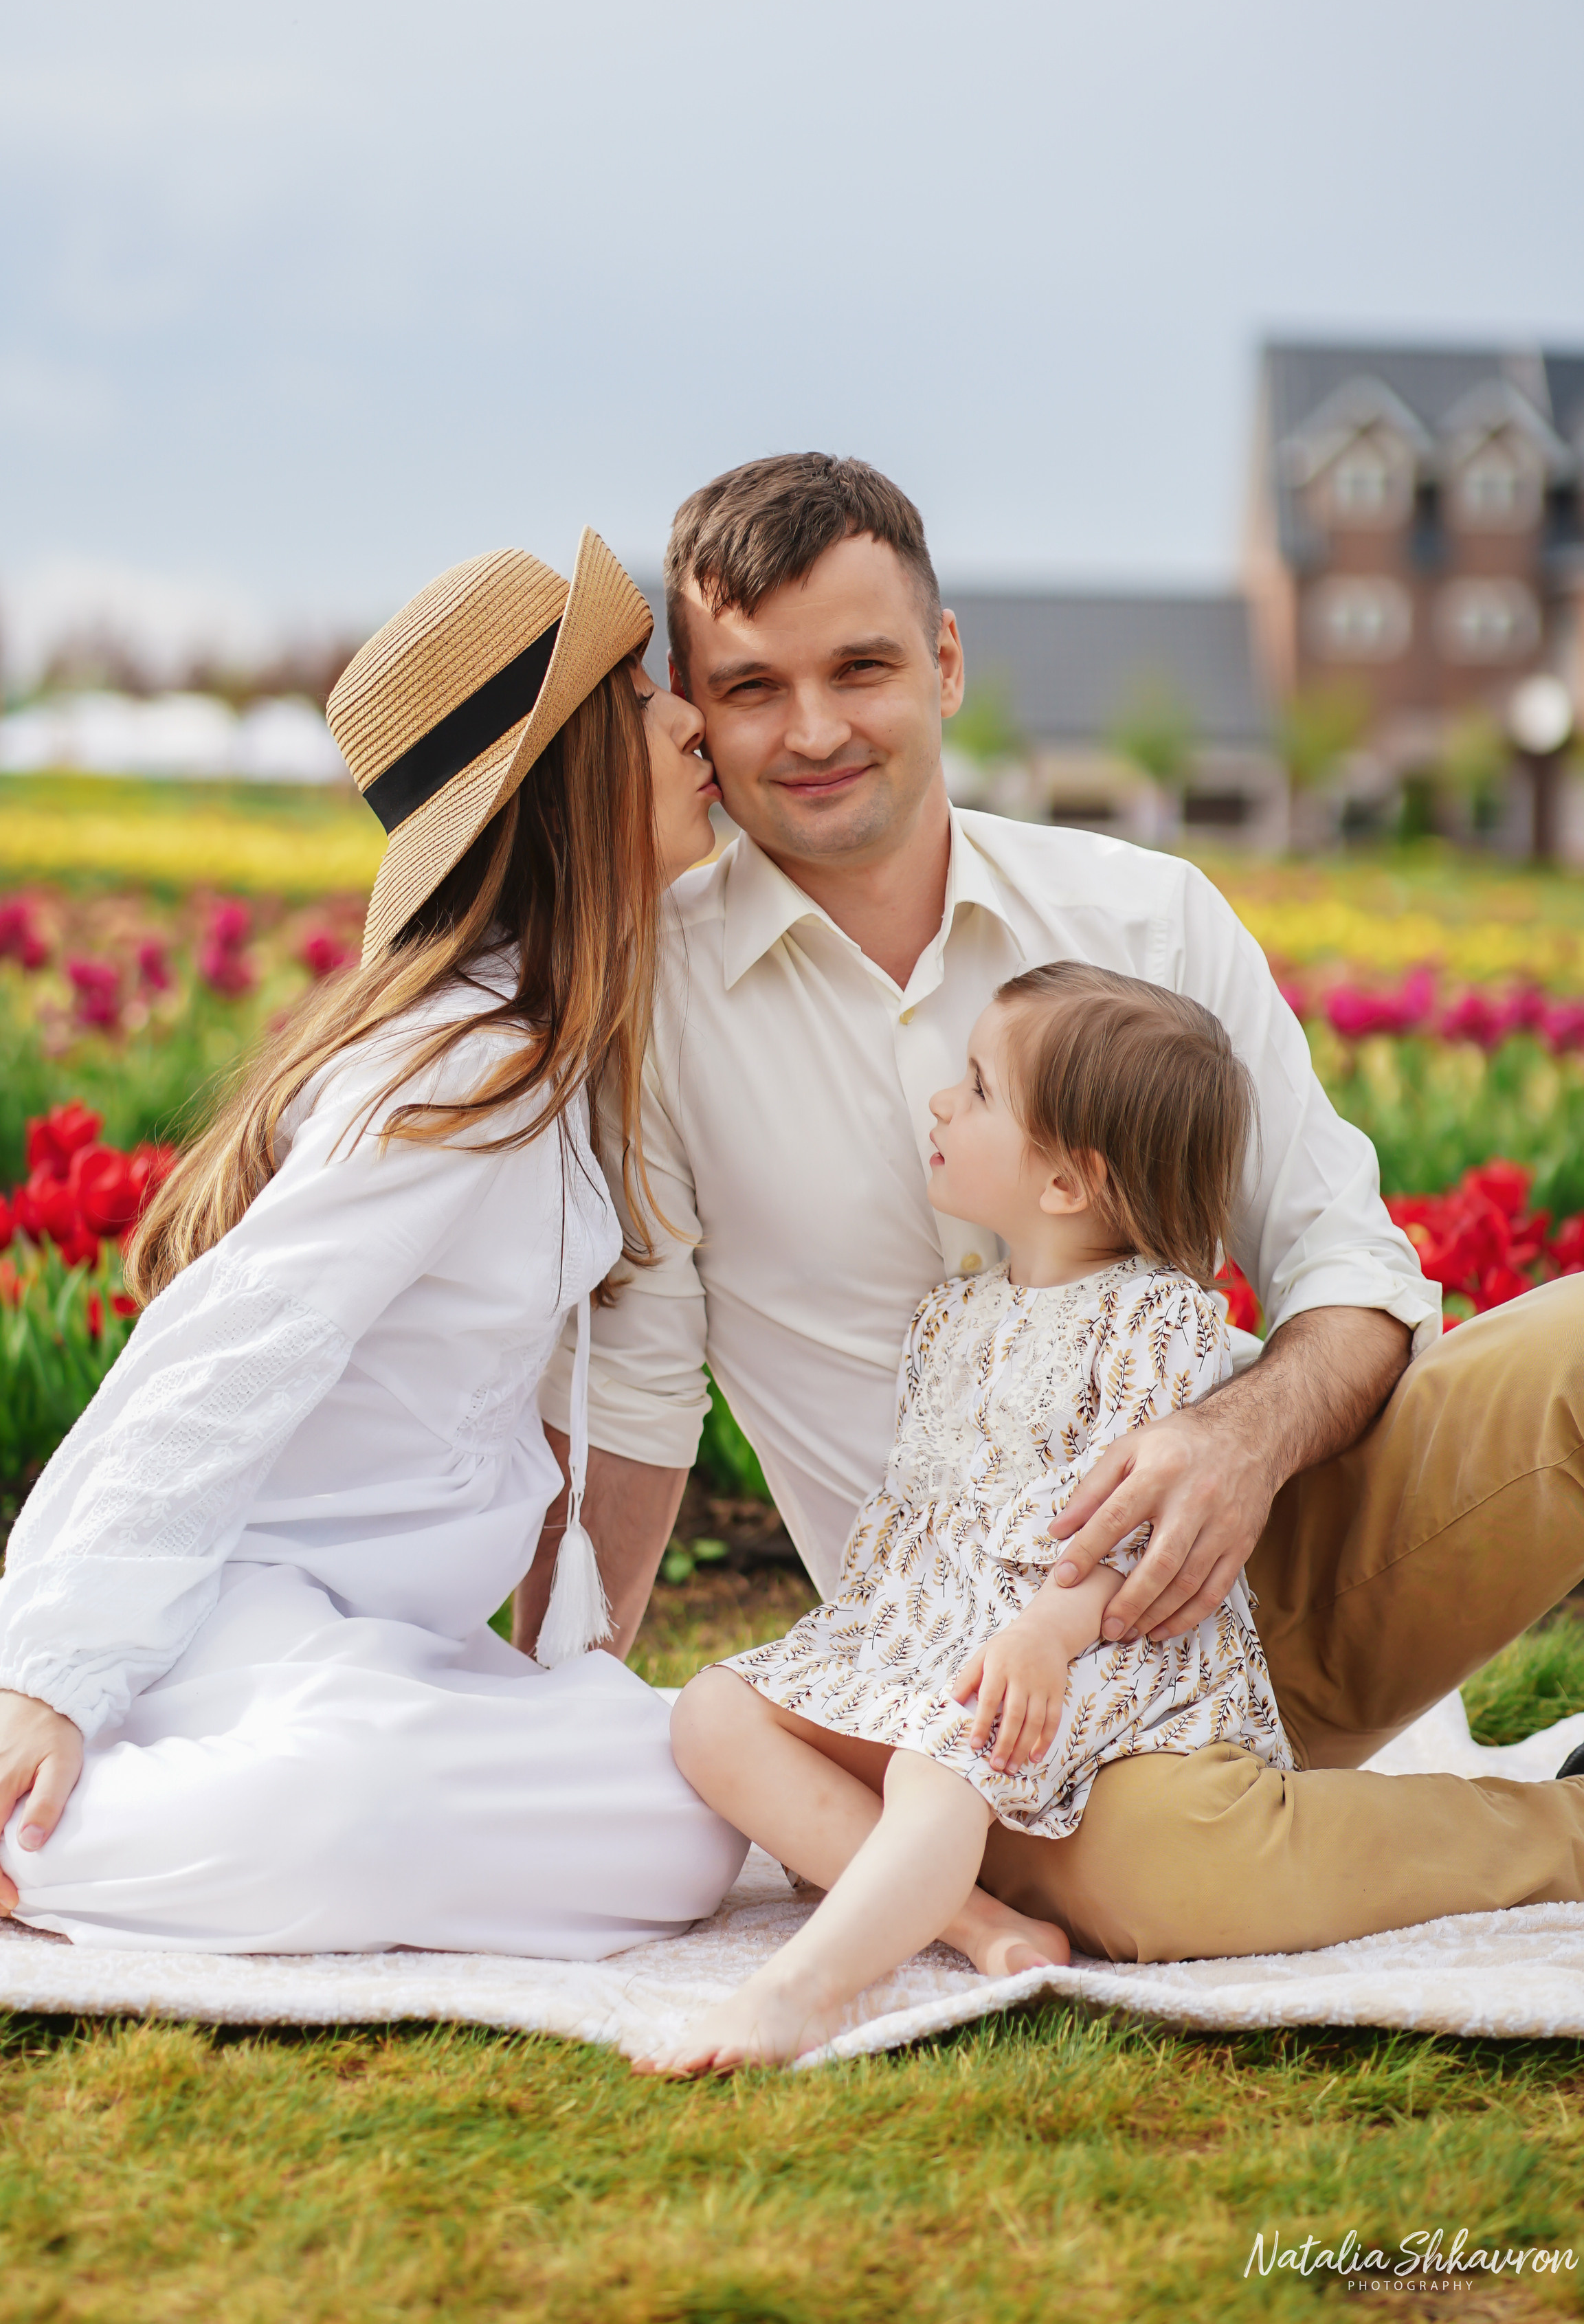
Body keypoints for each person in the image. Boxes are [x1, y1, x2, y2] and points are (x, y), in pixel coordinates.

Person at [515, 456, 1584, 1965]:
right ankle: (1556, 1833)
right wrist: (556, 1705)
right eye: (751, 688)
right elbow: (635, 1394)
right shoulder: (654, 1003)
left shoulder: (1146, 919)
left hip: (1275, 1567)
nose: (812, 730)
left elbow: (1348, 1269)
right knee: (1169, 1886)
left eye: (861, 666)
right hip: (999, 1702)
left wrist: (1236, 1440)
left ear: (944, 661)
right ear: (688, 708)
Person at [0, 533, 745, 1955]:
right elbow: (225, 1347)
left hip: (386, 1645)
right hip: (229, 1619)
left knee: (689, 1814)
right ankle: (40, 1818)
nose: (690, 719)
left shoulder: (550, 1048)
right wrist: (49, 1667)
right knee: (358, 1808)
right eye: (645, 694)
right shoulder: (454, 1066)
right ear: (574, 772)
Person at [646, 964, 1299, 2070]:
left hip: (1100, 1641)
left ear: (1065, 1184)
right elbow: (928, 1520)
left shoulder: (1153, 1321)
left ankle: (800, 1993)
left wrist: (1046, 1630)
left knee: (943, 1751)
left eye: (979, 1090)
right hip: (941, 1629)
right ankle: (981, 1926)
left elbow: (1137, 1533)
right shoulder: (952, 1316)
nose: (942, 1106)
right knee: (711, 1713)